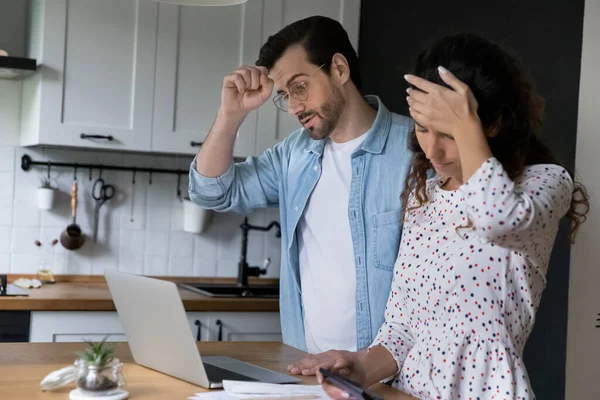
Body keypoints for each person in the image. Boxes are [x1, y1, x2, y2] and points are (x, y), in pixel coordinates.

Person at [317, 33, 590, 399]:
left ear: (491, 125)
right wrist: (361, 366)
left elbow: (497, 219)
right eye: (423, 127)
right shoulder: (423, 197)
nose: (431, 148)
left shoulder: (543, 183)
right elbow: (402, 327)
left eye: (448, 133)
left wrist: (465, 119)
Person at [188, 16, 414, 361]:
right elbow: (213, 192)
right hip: (308, 371)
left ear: (339, 69)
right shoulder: (294, 155)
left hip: (389, 379)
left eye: (300, 87)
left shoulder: (418, 150)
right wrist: (229, 115)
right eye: (284, 95)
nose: (293, 107)